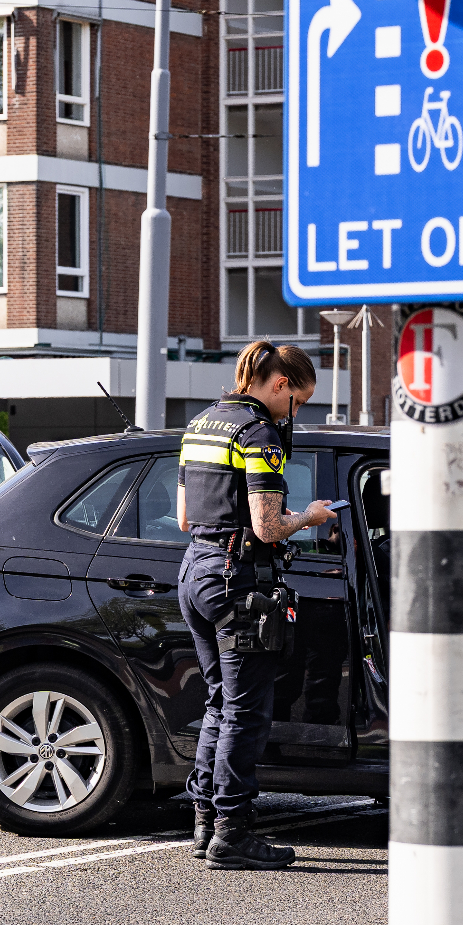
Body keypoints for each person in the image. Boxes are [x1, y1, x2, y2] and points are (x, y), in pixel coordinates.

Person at [176, 341, 335, 871]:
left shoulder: (202, 424)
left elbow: (183, 516)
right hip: (236, 579)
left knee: (220, 704)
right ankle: (233, 833)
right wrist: (310, 517)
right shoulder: (259, 434)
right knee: (246, 712)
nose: (297, 414)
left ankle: (204, 825)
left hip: (195, 571)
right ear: (280, 385)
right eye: (300, 402)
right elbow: (267, 526)